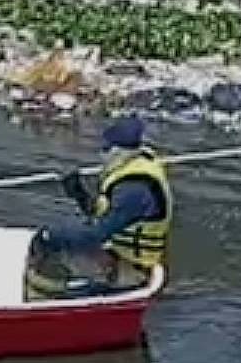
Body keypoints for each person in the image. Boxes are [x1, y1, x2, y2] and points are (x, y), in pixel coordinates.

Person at [25, 115, 173, 300]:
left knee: (47, 242)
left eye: (104, 149)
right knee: (48, 241)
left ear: (118, 151)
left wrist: (53, 234)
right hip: (117, 252)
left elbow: (96, 235)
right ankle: (45, 288)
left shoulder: (135, 189)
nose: (100, 155)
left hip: (131, 269)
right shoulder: (128, 171)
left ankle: (47, 296)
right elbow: (100, 215)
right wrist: (77, 190)